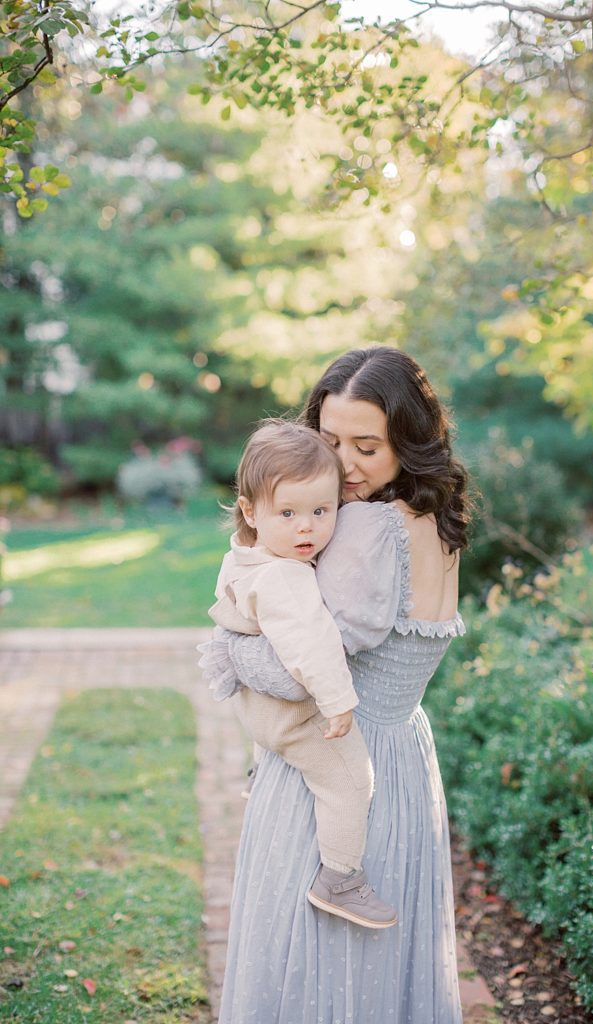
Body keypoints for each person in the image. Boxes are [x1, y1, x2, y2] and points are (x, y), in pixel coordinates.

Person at [213, 347, 471, 1024]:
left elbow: (294, 671)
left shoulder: (362, 526)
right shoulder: (437, 524)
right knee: (379, 973)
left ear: (408, 445)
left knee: (314, 962)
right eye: (328, 441)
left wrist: (229, 646)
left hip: (331, 769)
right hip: (404, 764)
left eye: (366, 446)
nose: (344, 465)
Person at [199, 419, 397, 929]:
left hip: (256, 717)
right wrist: (338, 702)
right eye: (287, 513)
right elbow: (313, 644)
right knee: (351, 779)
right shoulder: (286, 576)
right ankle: (341, 878)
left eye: (321, 511)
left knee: (294, 755)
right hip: (292, 717)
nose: (306, 527)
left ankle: (258, 770)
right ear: (250, 510)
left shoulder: (246, 556)